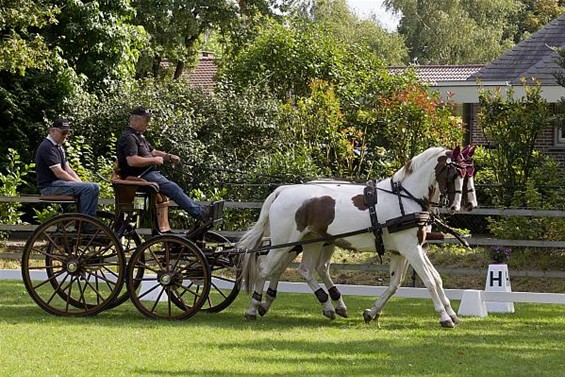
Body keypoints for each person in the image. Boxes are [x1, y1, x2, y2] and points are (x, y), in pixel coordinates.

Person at [116, 106, 211, 221]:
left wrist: (169, 157)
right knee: (173, 188)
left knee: (174, 187)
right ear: (136, 120)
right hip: (140, 176)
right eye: (146, 120)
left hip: (149, 173)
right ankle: (200, 213)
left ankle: (199, 211)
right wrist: (153, 160)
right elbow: (132, 161)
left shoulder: (139, 136)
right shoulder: (129, 137)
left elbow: (153, 152)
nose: (148, 124)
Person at [35, 118, 100, 217]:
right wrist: (80, 184)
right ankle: (86, 224)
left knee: (94, 187)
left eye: (67, 133)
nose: (65, 136)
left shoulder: (59, 147)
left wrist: (81, 183)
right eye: (63, 133)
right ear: (52, 131)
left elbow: (68, 169)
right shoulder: (47, 147)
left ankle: (89, 219)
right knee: (88, 188)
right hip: (49, 187)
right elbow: (59, 173)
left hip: (59, 185)